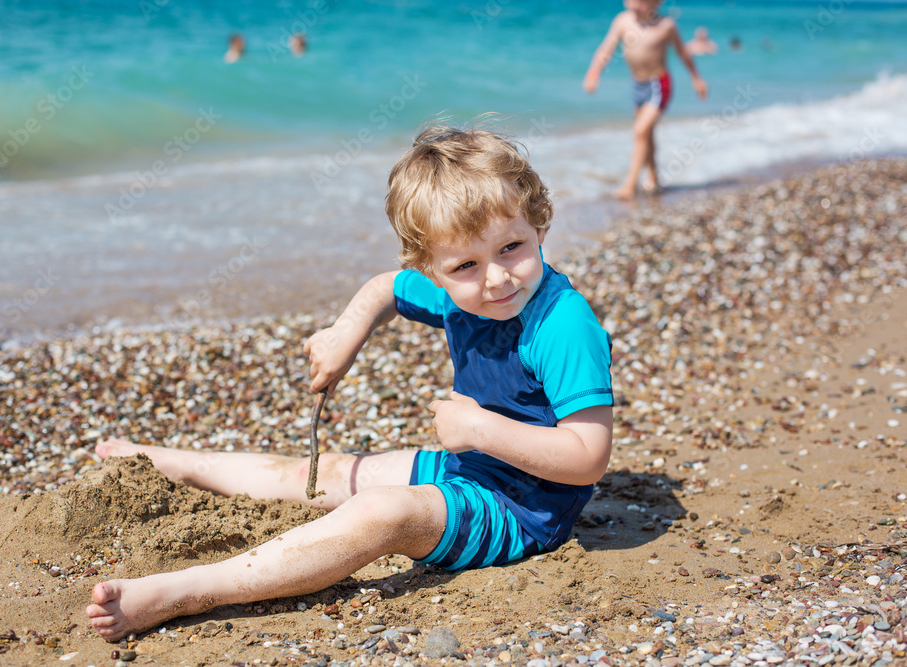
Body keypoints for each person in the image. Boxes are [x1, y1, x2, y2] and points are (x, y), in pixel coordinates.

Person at [85, 125, 615, 641]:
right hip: (471, 467)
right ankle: (172, 462)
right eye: (466, 265)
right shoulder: (461, 292)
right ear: (433, 270)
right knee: (328, 472)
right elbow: (388, 288)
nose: (496, 277)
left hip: (524, 510)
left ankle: (189, 590)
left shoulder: (561, 325)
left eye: (512, 248)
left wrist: (480, 429)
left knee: (382, 512)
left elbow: (587, 457)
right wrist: (346, 333)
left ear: (540, 225)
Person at [583, 0, 708, 199]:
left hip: (658, 85)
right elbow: (606, 49)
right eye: (631, 0)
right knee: (647, 133)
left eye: (641, 2)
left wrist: (697, 79)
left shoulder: (666, 25)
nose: (634, 5)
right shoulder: (623, 21)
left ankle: (629, 185)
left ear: (656, 3)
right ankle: (654, 178)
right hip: (637, 85)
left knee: (640, 130)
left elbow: (683, 53)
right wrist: (594, 72)